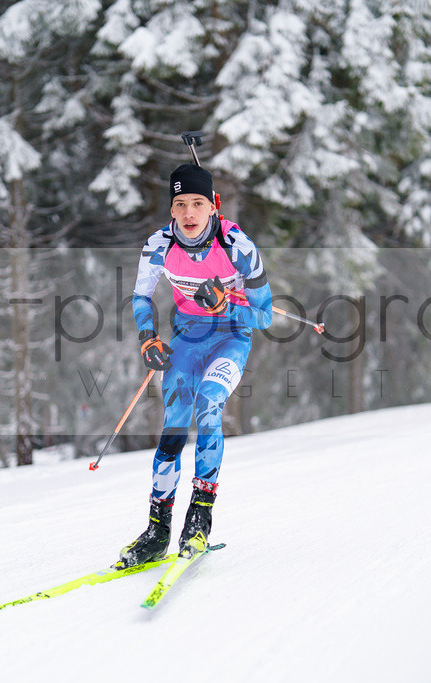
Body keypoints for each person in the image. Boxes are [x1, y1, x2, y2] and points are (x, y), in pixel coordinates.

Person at [118, 163, 273, 565]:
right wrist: (148, 336)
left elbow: (266, 316)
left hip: (231, 338)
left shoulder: (237, 245)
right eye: (181, 204)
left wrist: (228, 304)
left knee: (208, 406)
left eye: (198, 204)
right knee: (173, 424)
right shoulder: (159, 245)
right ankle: (157, 529)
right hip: (188, 339)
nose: (189, 214)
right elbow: (140, 296)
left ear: (212, 206)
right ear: (171, 210)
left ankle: (199, 517)